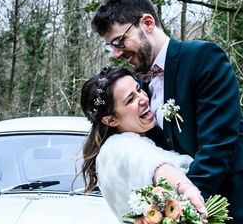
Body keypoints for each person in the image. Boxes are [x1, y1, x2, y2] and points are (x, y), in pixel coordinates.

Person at [90, 0, 243, 224]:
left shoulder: (203, 58)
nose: (116, 53)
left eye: (119, 41)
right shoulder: (139, 90)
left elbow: (218, 144)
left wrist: (184, 208)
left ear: (147, 23)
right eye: (110, 46)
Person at [80, 66, 207, 222]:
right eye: (130, 99)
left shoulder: (121, 146)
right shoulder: (120, 147)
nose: (144, 98)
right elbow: (154, 167)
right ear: (111, 120)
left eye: (139, 89)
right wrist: (185, 187)